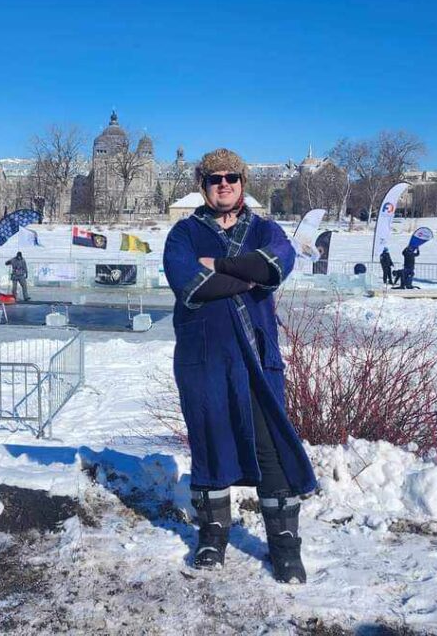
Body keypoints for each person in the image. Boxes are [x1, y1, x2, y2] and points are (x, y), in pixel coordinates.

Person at [164, 148, 316, 584]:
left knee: (271, 449)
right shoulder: (184, 235)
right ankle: (212, 536)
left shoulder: (266, 229)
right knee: (210, 443)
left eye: (232, 177)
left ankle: (285, 546)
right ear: (203, 185)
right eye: (215, 178)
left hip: (257, 358)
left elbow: (275, 266)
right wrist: (248, 275)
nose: (224, 183)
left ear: (243, 183)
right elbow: (190, 283)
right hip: (205, 357)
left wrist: (226, 266)